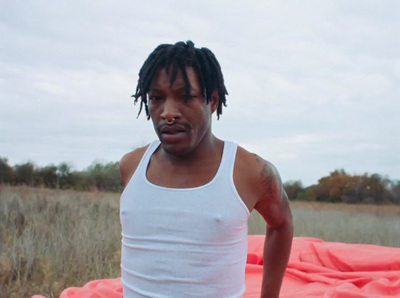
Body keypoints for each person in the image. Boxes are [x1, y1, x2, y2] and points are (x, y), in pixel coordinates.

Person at [119, 41, 293, 298]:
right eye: (156, 98)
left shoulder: (250, 172)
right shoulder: (131, 166)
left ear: (212, 100)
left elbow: (281, 223)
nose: (168, 113)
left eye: (185, 96)